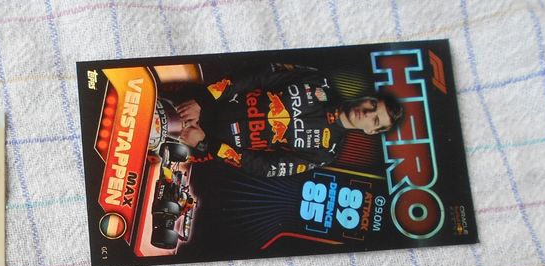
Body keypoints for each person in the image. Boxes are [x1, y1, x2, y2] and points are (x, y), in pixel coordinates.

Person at [171, 63, 404, 178]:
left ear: (372, 131)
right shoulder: (317, 79)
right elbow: (258, 75)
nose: (367, 113)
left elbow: (268, 167)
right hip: (195, 100)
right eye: (373, 105)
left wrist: (205, 144)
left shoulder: (325, 153)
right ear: (367, 97)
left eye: (375, 120)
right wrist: (204, 99)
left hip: (198, 143)